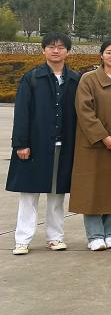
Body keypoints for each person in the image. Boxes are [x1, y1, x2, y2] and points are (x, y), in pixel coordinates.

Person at [7, 32, 80, 255]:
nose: (56, 50)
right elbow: (22, 113)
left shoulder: (75, 80)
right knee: (29, 194)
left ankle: (55, 237)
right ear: (43, 50)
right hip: (35, 145)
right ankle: (22, 240)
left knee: (57, 195)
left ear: (68, 51)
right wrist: (21, 144)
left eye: (60, 47)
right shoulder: (32, 78)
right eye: (51, 46)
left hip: (64, 146)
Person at [69, 39, 111, 251]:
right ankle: (95, 235)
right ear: (101, 55)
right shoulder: (88, 79)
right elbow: (84, 111)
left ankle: (110, 233)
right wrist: (104, 136)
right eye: (109, 52)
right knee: (92, 190)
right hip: (94, 146)